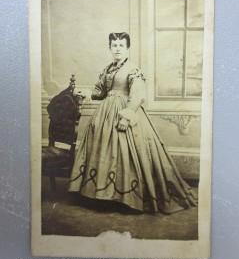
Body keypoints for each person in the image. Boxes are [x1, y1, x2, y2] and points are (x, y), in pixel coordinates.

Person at [69, 32, 197, 214]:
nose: (117, 49)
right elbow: (100, 91)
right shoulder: (108, 68)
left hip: (125, 111)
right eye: (114, 46)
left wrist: (126, 116)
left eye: (121, 45)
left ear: (128, 48)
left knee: (125, 153)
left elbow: (137, 95)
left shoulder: (133, 69)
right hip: (105, 113)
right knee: (104, 152)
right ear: (110, 48)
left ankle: (126, 198)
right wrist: (87, 92)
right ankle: (102, 195)